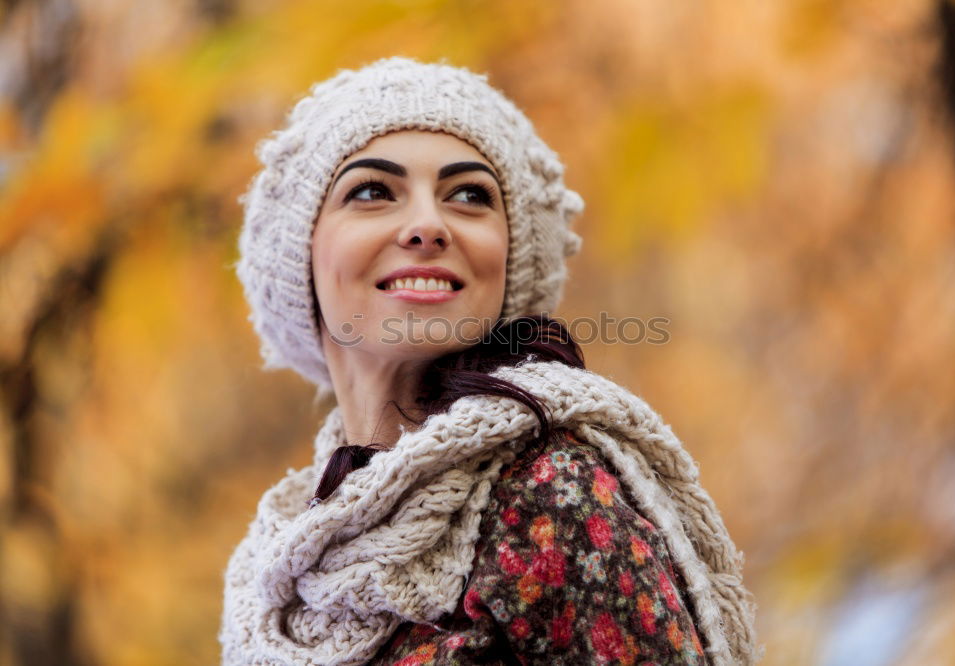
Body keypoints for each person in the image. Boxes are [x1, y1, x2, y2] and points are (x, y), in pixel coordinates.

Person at [219, 56, 761, 665]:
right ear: (300, 257)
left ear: (510, 262)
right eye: (373, 191)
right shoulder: (276, 565)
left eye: (469, 195)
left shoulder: (548, 493)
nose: (427, 224)